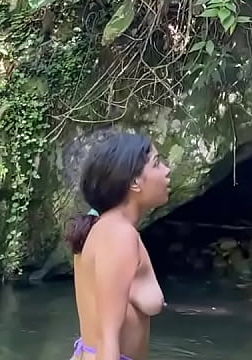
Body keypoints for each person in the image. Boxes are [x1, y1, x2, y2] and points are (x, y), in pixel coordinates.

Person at [63, 131, 172, 360]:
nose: (166, 170)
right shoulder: (119, 235)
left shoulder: (103, 226)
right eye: (157, 164)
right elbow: (107, 338)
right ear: (134, 182)